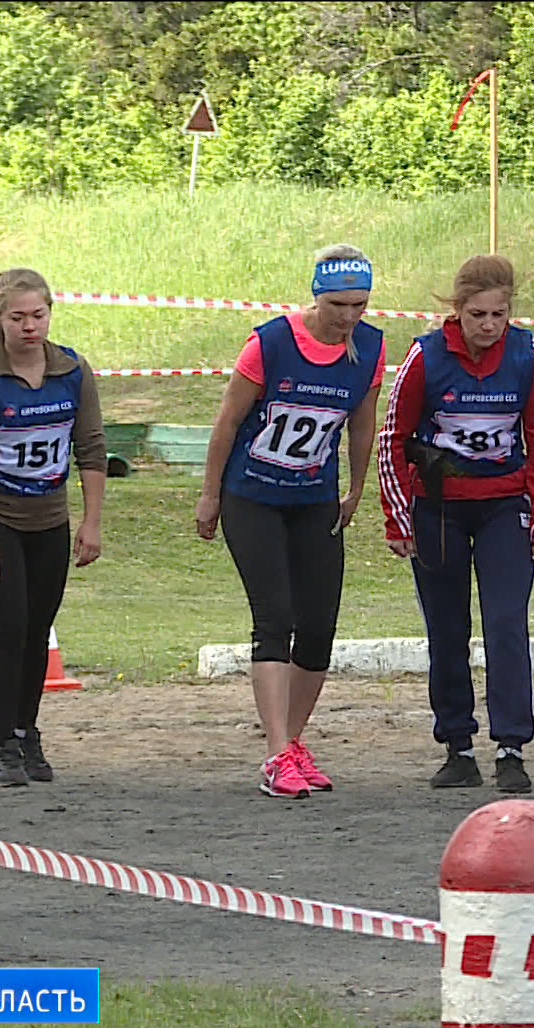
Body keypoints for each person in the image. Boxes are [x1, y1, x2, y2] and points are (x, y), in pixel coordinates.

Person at [196, 244, 385, 798]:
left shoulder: (369, 348)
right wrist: (210, 497)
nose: (348, 317)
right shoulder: (270, 343)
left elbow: (360, 424)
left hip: (313, 499)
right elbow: (227, 423)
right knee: (275, 616)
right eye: (337, 306)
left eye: (360, 305)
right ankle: (276, 751)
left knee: (320, 626)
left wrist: (355, 487)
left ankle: (292, 743)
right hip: (252, 496)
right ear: (316, 296)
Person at [377, 255, 534, 792]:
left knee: (506, 622)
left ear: (510, 312)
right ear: (456, 312)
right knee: (447, 627)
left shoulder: (527, 356)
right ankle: (457, 745)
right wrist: (398, 517)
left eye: (498, 314)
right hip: (438, 507)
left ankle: (511, 746)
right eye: (477, 314)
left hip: (504, 505)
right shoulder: (426, 358)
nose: (488, 325)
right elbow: (393, 437)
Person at [0, 269, 106, 788]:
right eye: (17, 317)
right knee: (8, 627)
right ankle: (1, 746)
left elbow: (91, 449)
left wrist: (91, 522)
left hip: (49, 520)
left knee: (38, 630)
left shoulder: (72, 371)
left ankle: (26, 729)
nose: (29, 326)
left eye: (38, 315)